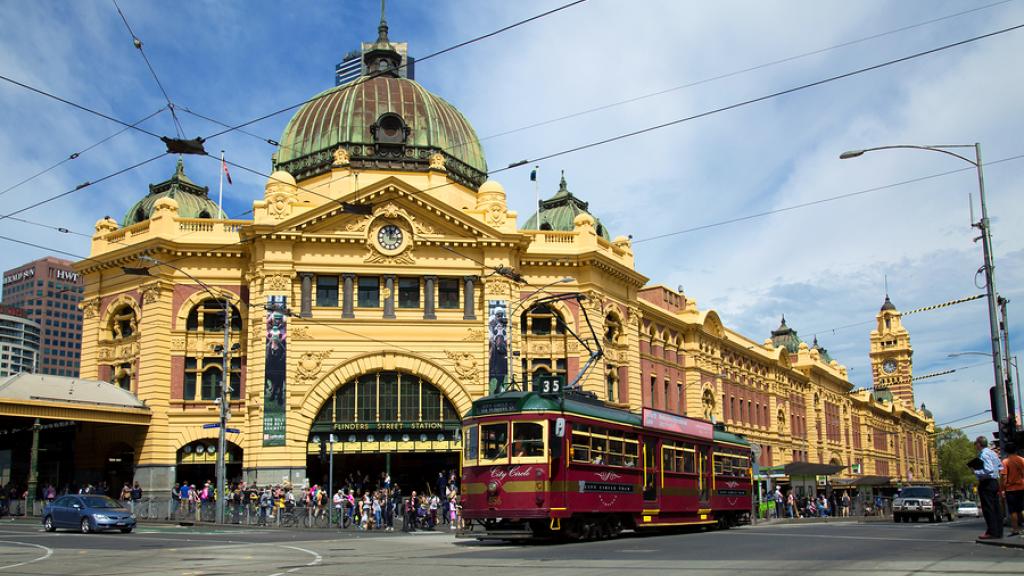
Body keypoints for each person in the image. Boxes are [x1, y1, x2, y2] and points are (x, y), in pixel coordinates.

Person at [973, 435, 1004, 539]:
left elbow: (988, 469)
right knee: (996, 508)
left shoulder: (983, 454)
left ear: (979, 444)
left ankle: (992, 532)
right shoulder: (992, 453)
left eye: (976, 444)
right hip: (994, 482)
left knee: (988, 508)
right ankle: (998, 531)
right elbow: (1000, 466)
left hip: (987, 483)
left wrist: (976, 471)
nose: (975, 446)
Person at [1000, 442, 1024, 537]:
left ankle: (1015, 529)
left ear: (1006, 451)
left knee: (1013, 510)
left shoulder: (1005, 462)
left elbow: (1004, 477)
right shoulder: (1022, 460)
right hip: (1022, 487)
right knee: (1022, 508)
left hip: (1011, 489)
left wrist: (1002, 489)